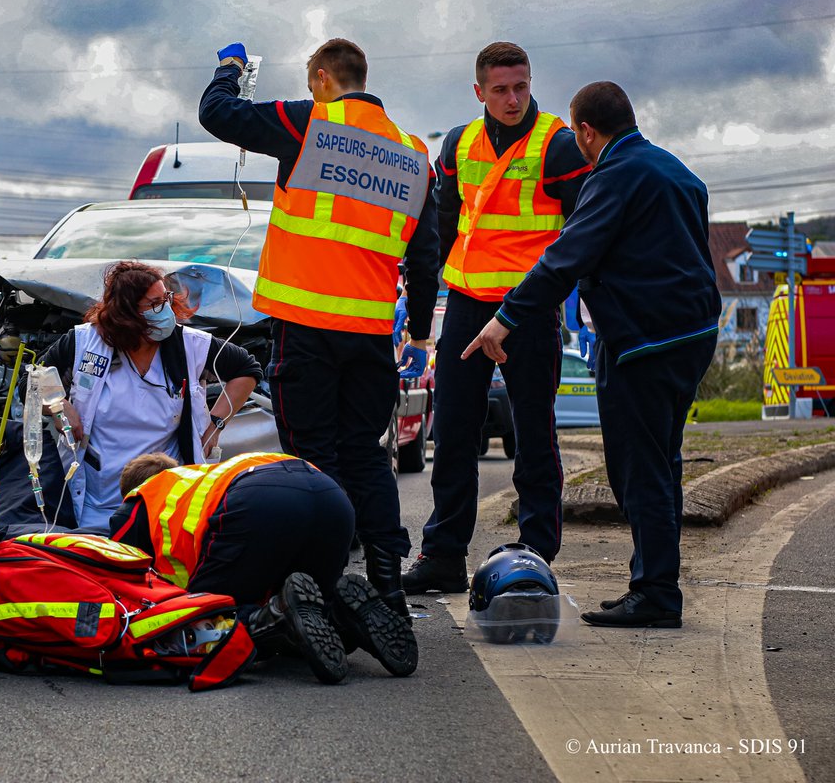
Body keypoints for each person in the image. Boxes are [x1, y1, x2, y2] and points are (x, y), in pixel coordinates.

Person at [461, 82, 720, 628]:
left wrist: (503, 320)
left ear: (585, 131)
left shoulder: (614, 176)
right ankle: (655, 584)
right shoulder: (677, 171)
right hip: (692, 336)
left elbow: (565, 258)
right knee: (661, 464)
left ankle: (655, 595)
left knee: (638, 470)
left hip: (643, 343)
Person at [199, 38, 442, 614]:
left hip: (306, 326)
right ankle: (387, 582)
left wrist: (229, 70)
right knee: (365, 454)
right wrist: (421, 332)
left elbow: (217, 114)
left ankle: (324, 589)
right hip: (369, 333)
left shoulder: (311, 123)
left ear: (322, 76)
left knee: (314, 460)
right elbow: (426, 254)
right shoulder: (412, 154)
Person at [403, 42, 592, 595]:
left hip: (529, 308)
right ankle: (442, 555)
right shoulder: (458, 143)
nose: (513, 99)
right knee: (455, 434)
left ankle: (535, 555)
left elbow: (583, 231)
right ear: (479, 91)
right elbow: (442, 221)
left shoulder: (558, 144)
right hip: (465, 304)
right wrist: (441, 285)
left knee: (535, 434)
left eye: (522, 87)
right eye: (502, 89)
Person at [111, 451, 418, 684]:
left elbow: (113, 573)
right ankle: (342, 613)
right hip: (331, 498)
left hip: (260, 505)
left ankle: (275, 615)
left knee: (202, 621)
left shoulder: (143, 498)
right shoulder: (205, 477)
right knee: (311, 607)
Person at [34, 260, 261, 535]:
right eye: (153, 304)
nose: (165, 309)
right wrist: (59, 406)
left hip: (163, 500)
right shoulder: (83, 343)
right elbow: (33, 381)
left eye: (165, 299)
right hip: (96, 498)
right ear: (126, 313)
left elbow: (247, 370)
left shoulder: (190, 344)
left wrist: (216, 425)